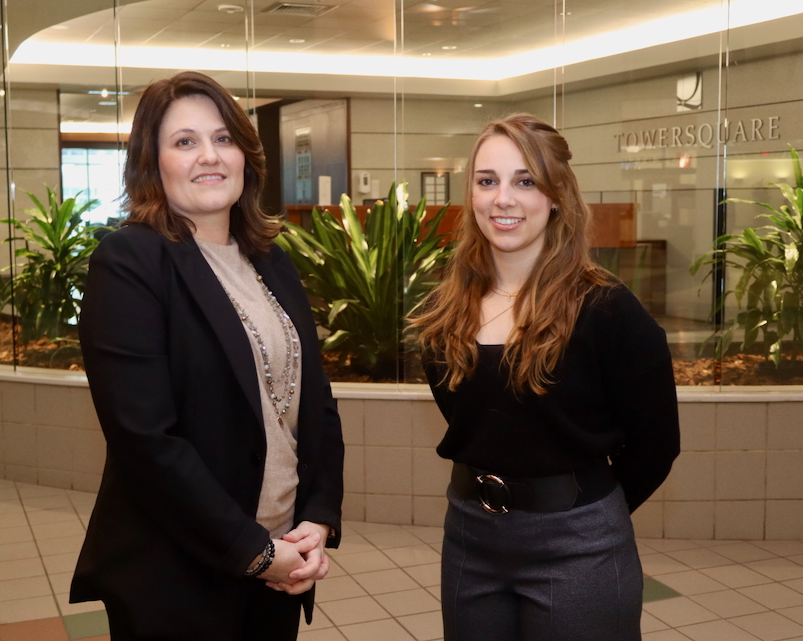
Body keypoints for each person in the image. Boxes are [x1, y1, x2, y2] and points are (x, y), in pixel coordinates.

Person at [69, 71, 344, 641]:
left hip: (280, 559)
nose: (209, 157)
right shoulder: (130, 263)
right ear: (154, 161)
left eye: (223, 139)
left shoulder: (272, 262)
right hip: (179, 574)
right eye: (185, 141)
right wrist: (255, 552)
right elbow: (145, 438)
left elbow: (314, 403)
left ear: (246, 155)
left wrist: (317, 519)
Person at [411, 113, 679, 641]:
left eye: (525, 181)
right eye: (487, 181)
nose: (502, 199)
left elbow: (656, 443)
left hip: (579, 542)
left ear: (556, 196)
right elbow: (474, 423)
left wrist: (588, 511)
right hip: (470, 534)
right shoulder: (446, 312)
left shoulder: (606, 309)